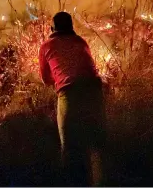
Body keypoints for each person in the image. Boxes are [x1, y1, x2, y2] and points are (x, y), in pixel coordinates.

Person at [39, 11, 107, 186]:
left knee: (69, 146)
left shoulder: (46, 46)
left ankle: (71, 182)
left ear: (52, 28)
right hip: (94, 90)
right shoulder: (81, 41)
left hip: (69, 92)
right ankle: (102, 181)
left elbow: (46, 79)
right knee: (97, 143)